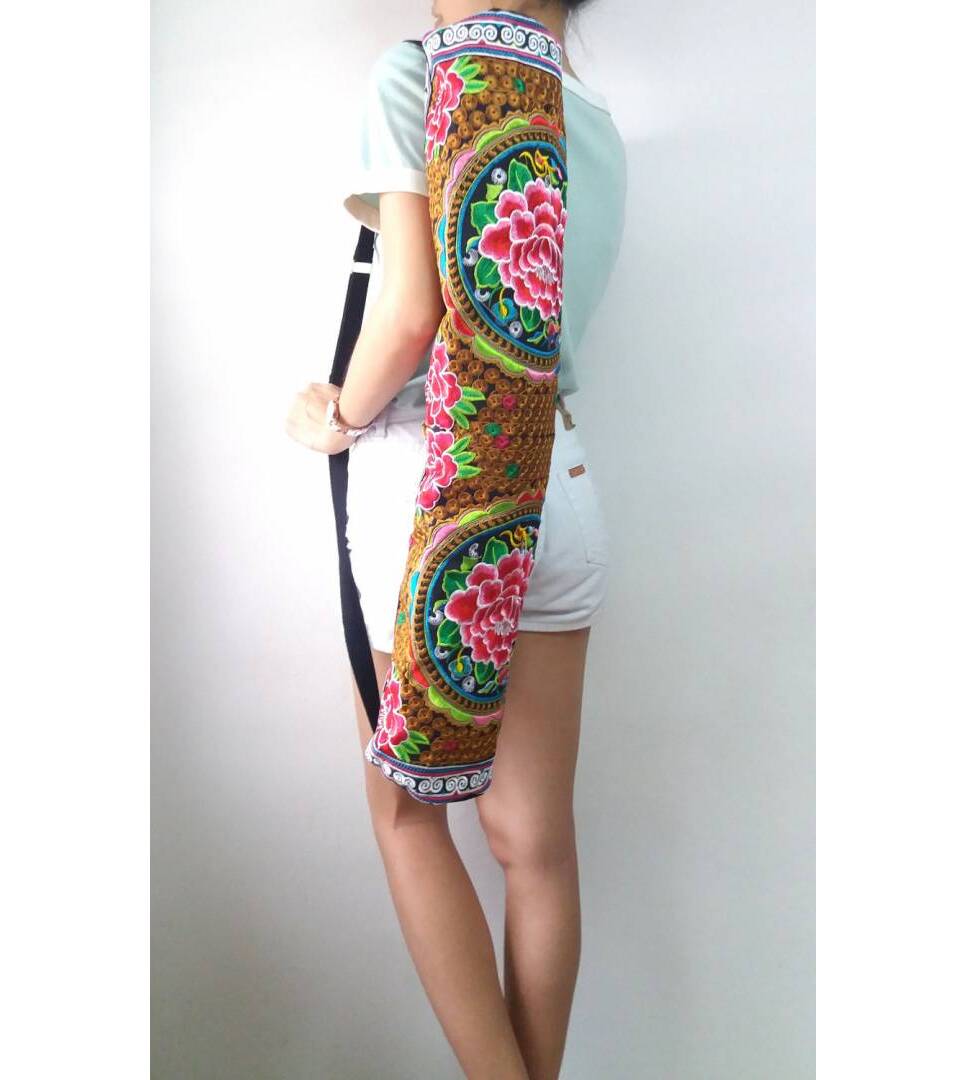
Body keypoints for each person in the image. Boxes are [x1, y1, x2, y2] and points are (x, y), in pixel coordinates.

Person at [286, 3, 626, 1076]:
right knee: (538, 844)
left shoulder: (419, 72)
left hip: (438, 482)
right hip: (557, 473)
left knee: (406, 817)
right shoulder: (594, 119)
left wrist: (335, 414)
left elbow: (409, 315)